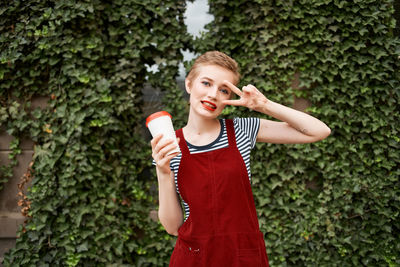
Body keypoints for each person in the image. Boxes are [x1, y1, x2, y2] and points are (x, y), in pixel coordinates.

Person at [150, 51, 331, 266]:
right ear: (189, 84)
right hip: (194, 257)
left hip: (243, 256)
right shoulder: (170, 145)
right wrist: (163, 172)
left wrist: (264, 105)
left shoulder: (242, 130)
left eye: (224, 90)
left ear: (230, 97)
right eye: (206, 83)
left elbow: (319, 131)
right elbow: (172, 227)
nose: (213, 94)